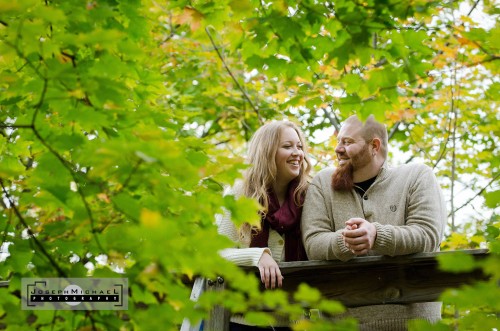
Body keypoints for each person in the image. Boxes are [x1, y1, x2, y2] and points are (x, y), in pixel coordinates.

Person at [301, 114, 447, 330]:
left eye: (347, 142)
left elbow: (427, 235)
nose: (338, 149)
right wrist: (347, 241)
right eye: (338, 141)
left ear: (374, 146)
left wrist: (376, 235)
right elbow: (313, 243)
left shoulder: (417, 176)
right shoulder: (323, 183)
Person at [216, 120, 312, 330]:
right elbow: (215, 254)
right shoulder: (239, 193)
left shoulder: (307, 197)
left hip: (294, 321)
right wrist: (258, 255)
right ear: (267, 152)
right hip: (243, 321)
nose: (297, 153)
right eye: (287, 146)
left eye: (299, 146)